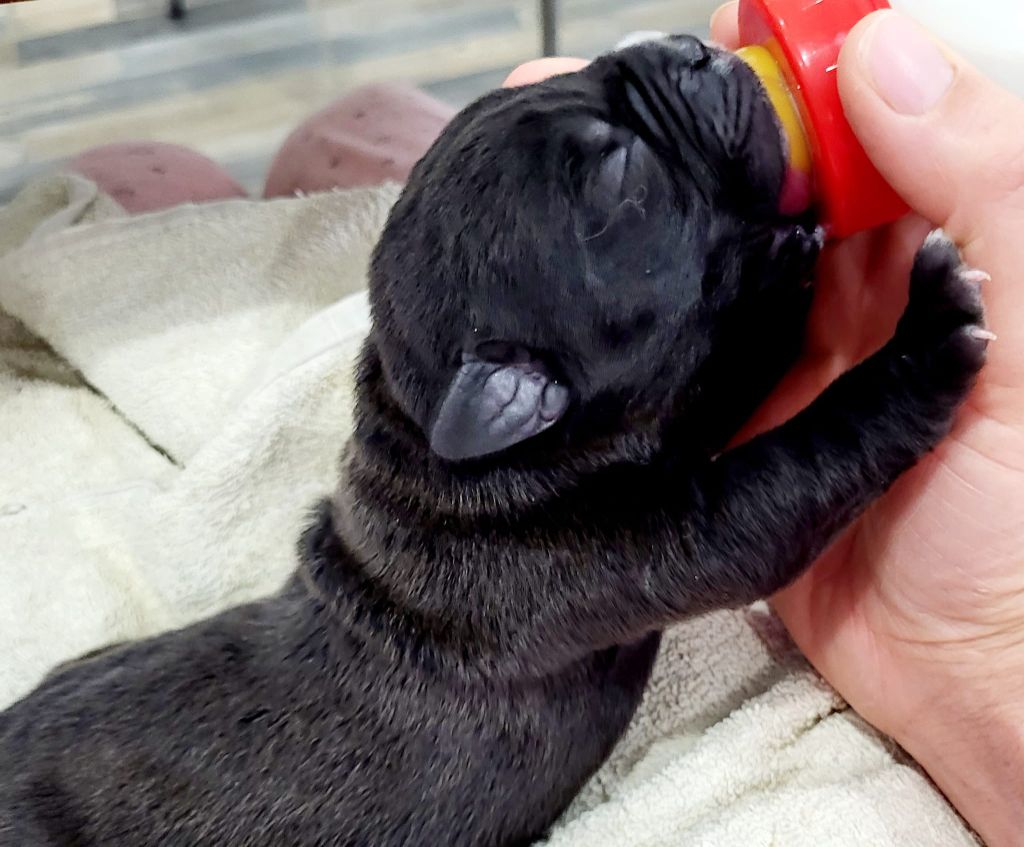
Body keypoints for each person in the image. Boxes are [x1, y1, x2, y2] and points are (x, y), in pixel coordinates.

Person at [55, 5, 1024, 843]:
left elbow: (653, 367)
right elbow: (729, 530)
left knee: (339, 133)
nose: (683, 61)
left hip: (141, 731)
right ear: (521, 398)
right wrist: (911, 377)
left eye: (612, 78)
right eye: (621, 177)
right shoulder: (517, 570)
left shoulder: (517, 418)